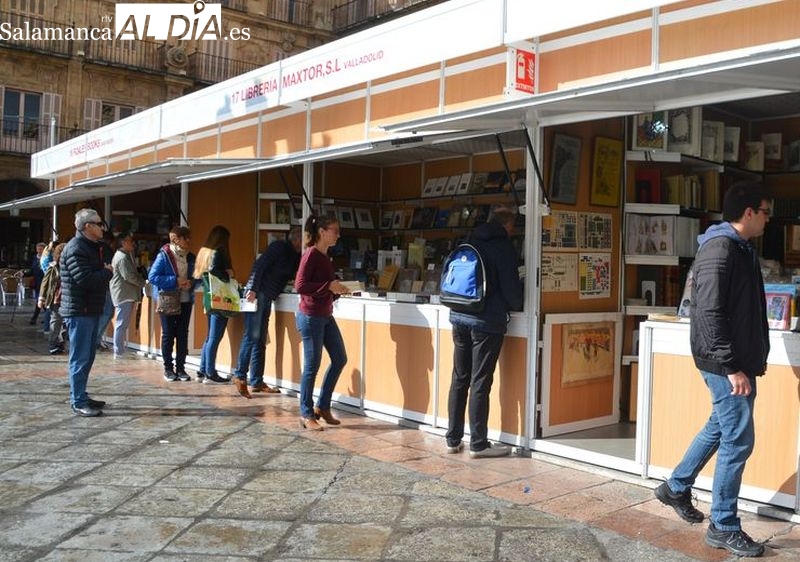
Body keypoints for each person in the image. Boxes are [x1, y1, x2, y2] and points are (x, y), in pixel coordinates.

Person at [654, 181, 770, 558]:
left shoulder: (737, 247)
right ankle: (724, 524)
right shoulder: (721, 249)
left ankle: (676, 487)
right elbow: (709, 312)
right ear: (749, 212)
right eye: (765, 211)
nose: (769, 218)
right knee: (739, 439)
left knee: (720, 426)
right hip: (725, 362)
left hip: (732, 360)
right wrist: (732, 366)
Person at [445, 205, 523, 458]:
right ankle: (478, 443)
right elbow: (512, 293)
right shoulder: (503, 247)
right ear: (507, 225)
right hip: (486, 322)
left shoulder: (469, 240)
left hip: (458, 316)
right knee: (480, 382)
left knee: (459, 378)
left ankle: (453, 438)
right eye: (513, 226)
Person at [295, 213, 351, 430]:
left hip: (325, 314)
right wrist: (328, 287)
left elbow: (323, 286)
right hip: (311, 317)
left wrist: (337, 291)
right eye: (334, 230)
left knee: (339, 358)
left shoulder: (325, 257)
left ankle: (323, 406)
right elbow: (300, 286)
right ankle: (306, 413)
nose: (338, 234)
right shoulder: (311, 254)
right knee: (312, 366)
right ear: (322, 231)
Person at [234, 227, 302, 393]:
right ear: (297, 239)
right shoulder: (279, 247)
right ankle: (240, 376)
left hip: (267, 295)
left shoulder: (295, 255)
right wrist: (253, 289)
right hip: (258, 293)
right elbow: (260, 266)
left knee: (260, 339)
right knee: (252, 336)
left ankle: (257, 381)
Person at [59, 209, 113, 417]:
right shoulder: (76, 248)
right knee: (80, 357)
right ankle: (78, 401)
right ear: (87, 226)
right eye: (99, 224)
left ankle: (81, 394)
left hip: (90, 309)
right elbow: (85, 279)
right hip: (79, 311)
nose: (102, 227)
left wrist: (103, 272)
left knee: (87, 356)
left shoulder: (92, 247)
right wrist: (107, 272)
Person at [148, 226, 196, 382]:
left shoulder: (190, 257)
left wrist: (192, 282)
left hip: (185, 299)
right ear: (176, 239)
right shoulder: (164, 256)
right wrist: (175, 281)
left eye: (189, 237)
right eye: (185, 238)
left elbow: (197, 276)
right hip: (168, 299)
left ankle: (181, 368)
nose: (188, 240)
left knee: (182, 334)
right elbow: (153, 277)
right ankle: (168, 368)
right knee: (168, 334)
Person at [194, 225, 238, 389]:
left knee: (209, 336)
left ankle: (203, 370)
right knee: (214, 337)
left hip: (209, 297)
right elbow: (215, 271)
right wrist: (228, 274)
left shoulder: (206, 251)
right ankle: (210, 373)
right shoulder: (219, 251)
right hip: (221, 299)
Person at [110, 232, 146, 359]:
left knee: (122, 322)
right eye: (130, 241)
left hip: (125, 293)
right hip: (124, 293)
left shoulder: (126, 255)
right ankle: (118, 351)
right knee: (121, 323)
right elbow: (129, 276)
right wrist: (143, 283)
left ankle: (119, 349)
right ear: (123, 242)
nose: (133, 243)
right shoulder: (122, 257)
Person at [38, 242, 66, 355]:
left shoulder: (71, 265)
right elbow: (45, 282)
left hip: (68, 298)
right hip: (56, 297)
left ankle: (61, 343)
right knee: (56, 321)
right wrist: (42, 298)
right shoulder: (53, 266)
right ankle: (53, 344)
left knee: (66, 323)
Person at [94, 230, 115, 352]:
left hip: (98, 284)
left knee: (104, 312)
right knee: (107, 312)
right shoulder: (106, 249)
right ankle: (96, 339)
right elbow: (109, 267)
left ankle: (96, 339)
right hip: (105, 285)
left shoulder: (94, 247)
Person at [28, 242, 46, 325]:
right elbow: (32, 270)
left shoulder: (46, 258)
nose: (38, 251)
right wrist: (24, 273)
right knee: (42, 301)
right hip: (37, 282)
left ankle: (34, 318)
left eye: (40, 249)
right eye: (37, 249)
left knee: (40, 300)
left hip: (44, 282)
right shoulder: (35, 258)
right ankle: (47, 317)